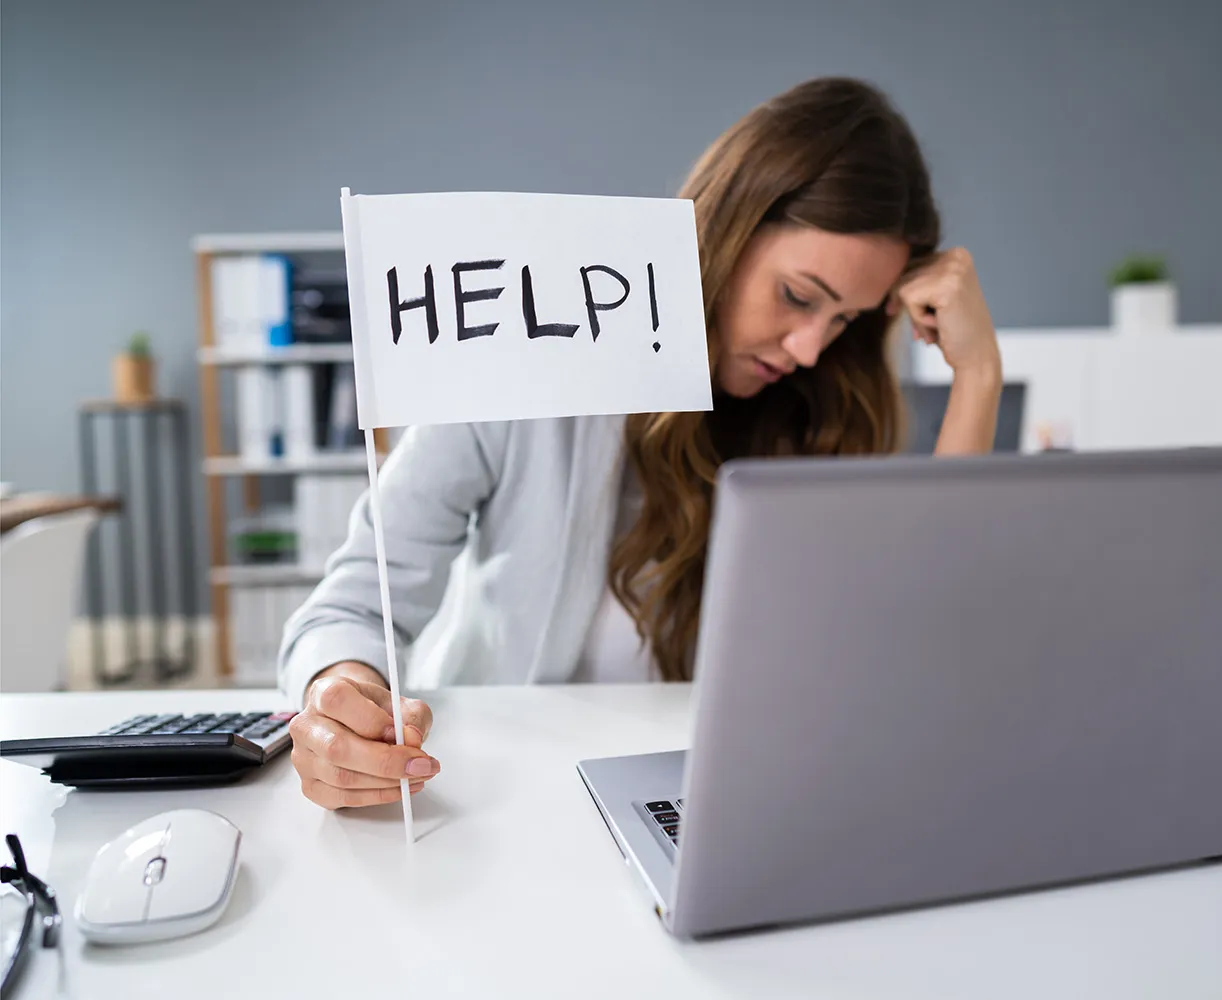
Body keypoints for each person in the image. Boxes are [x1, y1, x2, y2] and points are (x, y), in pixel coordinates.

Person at [280, 76, 1003, 810]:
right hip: (507, 800)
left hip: (730, 798)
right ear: (724, 234)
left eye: (845, 319)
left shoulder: (818, 415)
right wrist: (344, 696)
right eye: (799, 296)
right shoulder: (522, 362)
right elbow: (352, 609)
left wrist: (978, 376)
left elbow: (914, 646)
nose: (812, 348)